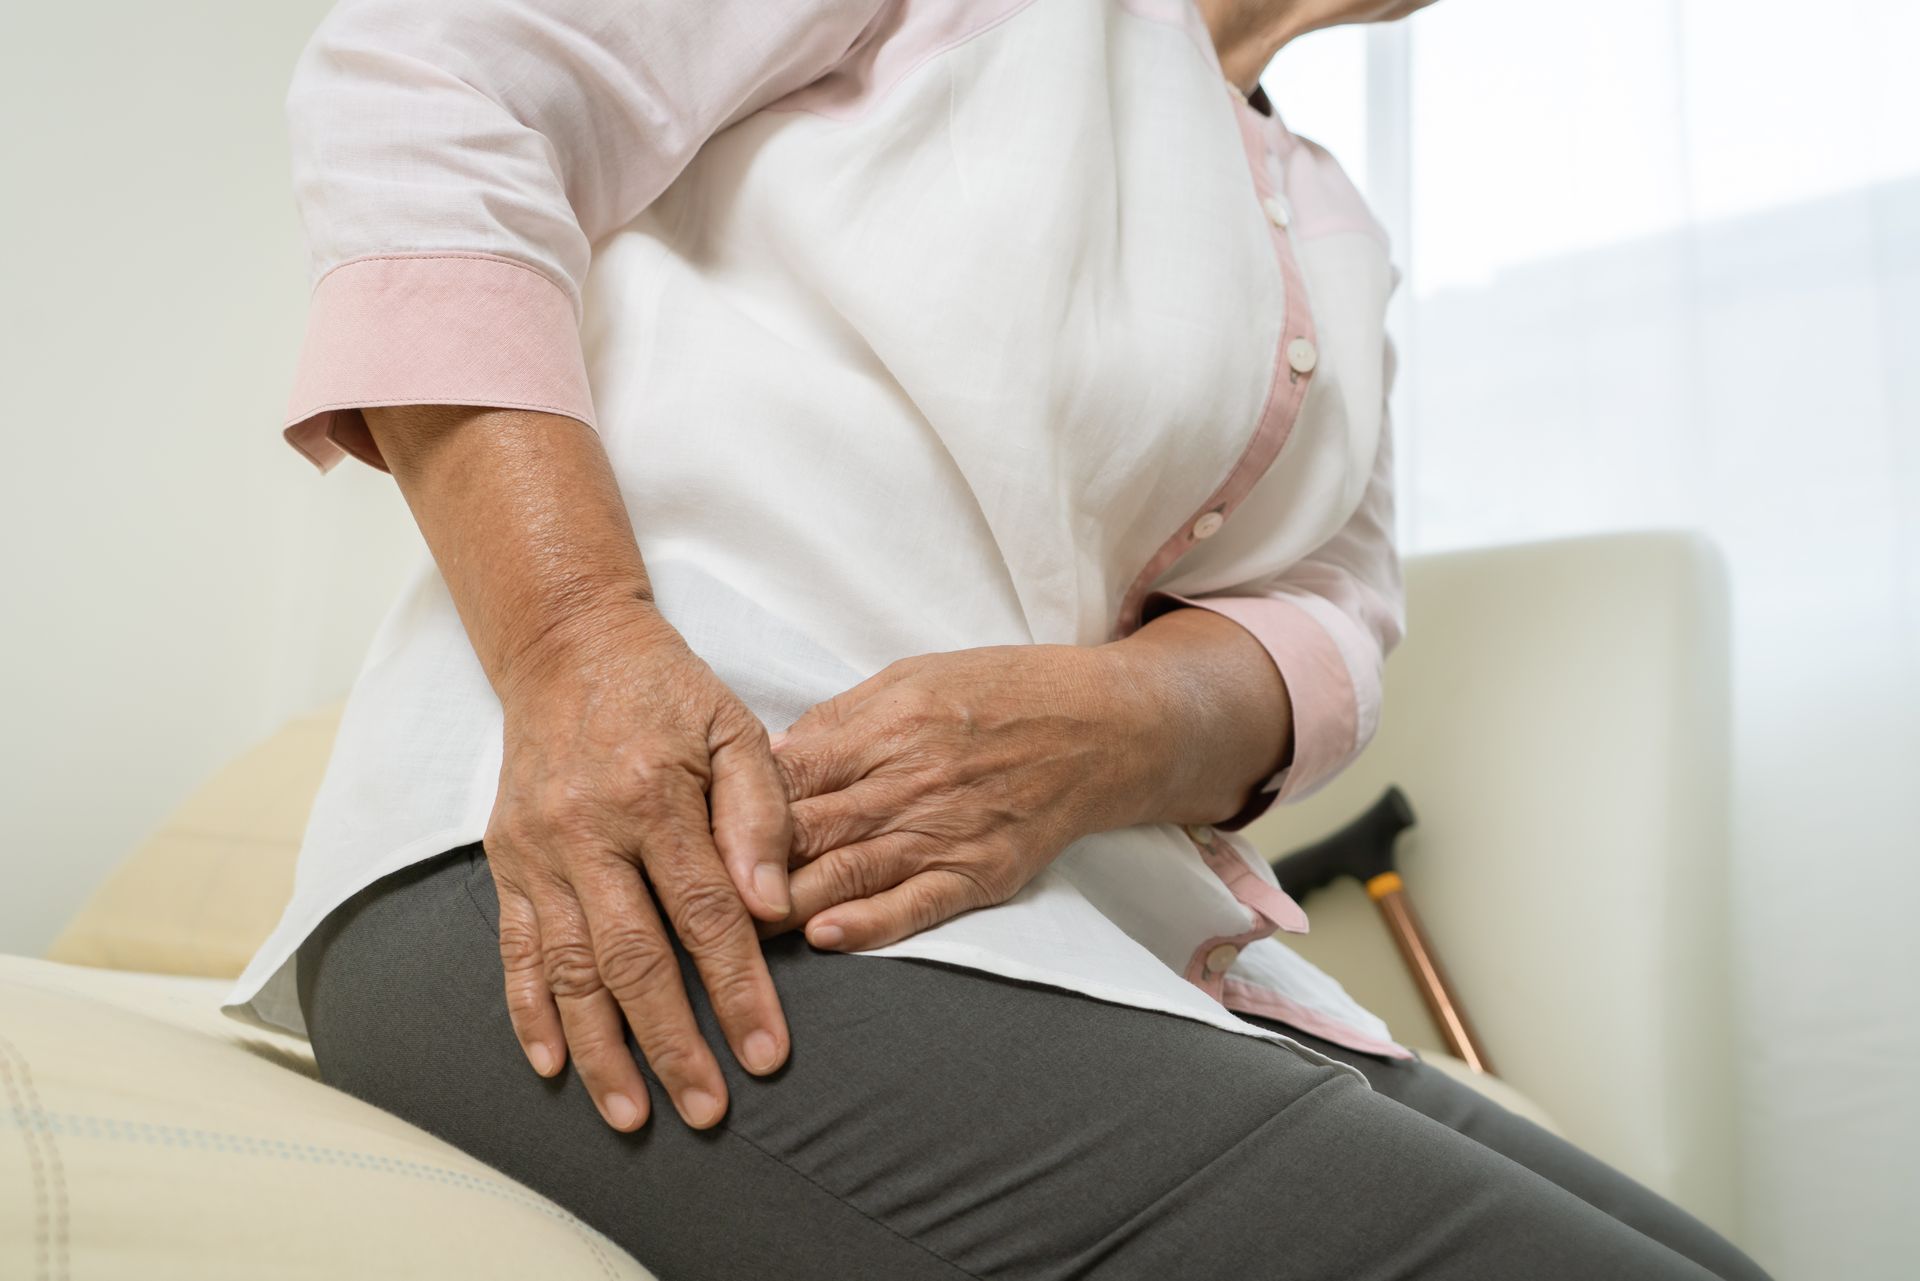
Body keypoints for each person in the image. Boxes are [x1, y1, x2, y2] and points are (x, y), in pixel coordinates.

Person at [223, 0, 1774, 1276]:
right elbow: (428, 75)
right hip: (631, 869)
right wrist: (578, 638)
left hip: (1077, 929)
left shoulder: (1337, 224)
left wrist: (1104, 727)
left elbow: (1335, 610)